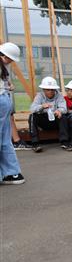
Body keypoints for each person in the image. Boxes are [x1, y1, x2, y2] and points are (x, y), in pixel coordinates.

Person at [0, 42, 25, 184]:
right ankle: (12, 173)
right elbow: (8, 85)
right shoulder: (3, 67)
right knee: (4, 139)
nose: (9, 62)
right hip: (4, 100)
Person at [28, 76, 70, 152]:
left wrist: (59, 111)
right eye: (48, 90)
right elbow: (32, 109)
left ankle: (65, 142)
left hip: (55, 120)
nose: (50, 91)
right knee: (32, 116)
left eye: (52, 89)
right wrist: (42, 106)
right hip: (44, 121)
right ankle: (35, 143)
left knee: (63, 116)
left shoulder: (59, 96)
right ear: (43, 90)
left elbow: (64, 108)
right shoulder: (39, 96)